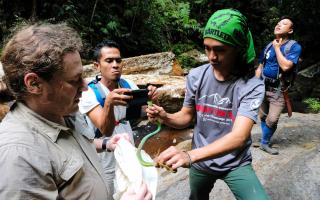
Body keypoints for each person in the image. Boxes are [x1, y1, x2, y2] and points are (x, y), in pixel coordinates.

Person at [0, 23, 151, 200]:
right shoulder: (18, 155)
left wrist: (105, 144)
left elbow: (69, 148)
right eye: (74, 80)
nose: (85, 87)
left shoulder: (63, 111)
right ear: (34, 83)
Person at [147, 9, 269, 200]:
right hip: (202, 163)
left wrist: (190, 155)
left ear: (237, 49)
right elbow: (186, 116)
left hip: (234, 162)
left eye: (220, 49)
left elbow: (239, 137)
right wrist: (165, 116)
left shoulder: (252, 85)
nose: (211, 57)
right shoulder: (196, 76)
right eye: (207, 48)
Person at [79, 39, 157, 198]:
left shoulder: (128, 84)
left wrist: (153, 102)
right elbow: (105, 129)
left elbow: (140, 113)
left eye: (118, 60)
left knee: (133, 190)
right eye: (109, 61)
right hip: (103, 158)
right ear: (97, 66)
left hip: (128, 149)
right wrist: (108, 103)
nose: (115, 64)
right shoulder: (89, 92)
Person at [256, 16, 302, 155]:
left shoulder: (294, 47)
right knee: (263, 116)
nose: (278, 25)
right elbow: (260, 66)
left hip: (279, 89)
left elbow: (286, 66)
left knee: (272, 119)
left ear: (290, 30)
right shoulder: (269, 45)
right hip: (263, 86)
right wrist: (254, 84)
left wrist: (277, 48)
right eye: (278, 23)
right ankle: (265, 140)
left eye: (284, 23)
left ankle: (264, 143)